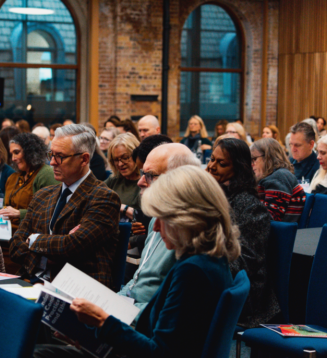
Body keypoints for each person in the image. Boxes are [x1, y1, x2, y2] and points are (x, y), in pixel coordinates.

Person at [33, 165, 241, 358]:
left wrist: (102, 322)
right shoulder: (210, 260)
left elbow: (159, 353)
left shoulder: (193, 271)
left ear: (187, 219)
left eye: (161, 218)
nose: (157, 228)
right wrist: (92, 332)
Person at [9, 124, 120, 287]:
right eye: (51, 154)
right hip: (32, 281)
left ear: (84, 159)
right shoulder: (43, 195)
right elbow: (15, 246)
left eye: (60, 156)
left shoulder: (104, 198)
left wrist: (34, 239)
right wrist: (52, 253)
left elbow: (73, 246)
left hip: (77, 291)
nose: (52, 162)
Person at [119, 143, 200, 315]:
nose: (140, 182)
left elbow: (168, 312)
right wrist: (115, 302)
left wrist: (109, 316)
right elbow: (137, 281)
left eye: (149, 175)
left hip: (144, 321)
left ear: (179, 178)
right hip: (133, 308)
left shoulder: (187, 232)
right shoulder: (158, 217)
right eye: (142, 173)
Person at [206, 138, 278, 328]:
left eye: (221, 163)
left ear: (238, 168)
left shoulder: (250, 208)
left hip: (245, 292)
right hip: (216, 274)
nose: (212, 167)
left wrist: (203, 265)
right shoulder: (214, 197)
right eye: (212, 159)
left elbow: (243, 263)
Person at [0, 133, 59, 232]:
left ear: (30, 151)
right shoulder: (13, 178)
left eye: (17, 152)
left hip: (30, 234)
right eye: (11, 154)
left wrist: (20, 213)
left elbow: (52, 212)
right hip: (5, 230)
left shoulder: (46, 174)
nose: (13, 158)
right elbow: (5, 210)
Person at [251, 138, 306, 222]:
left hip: (280, 233)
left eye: (254, 159)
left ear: (268, 157)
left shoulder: (279, 177)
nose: (252, 164)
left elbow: (271, 218)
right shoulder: (275, 176)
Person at [105, 133, 143, 224]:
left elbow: (148, 219)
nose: (120, 164)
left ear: (136, 155)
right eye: (116, 160)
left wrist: (121, 207)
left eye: (125, 158)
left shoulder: (146, 181)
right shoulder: (113, 180)